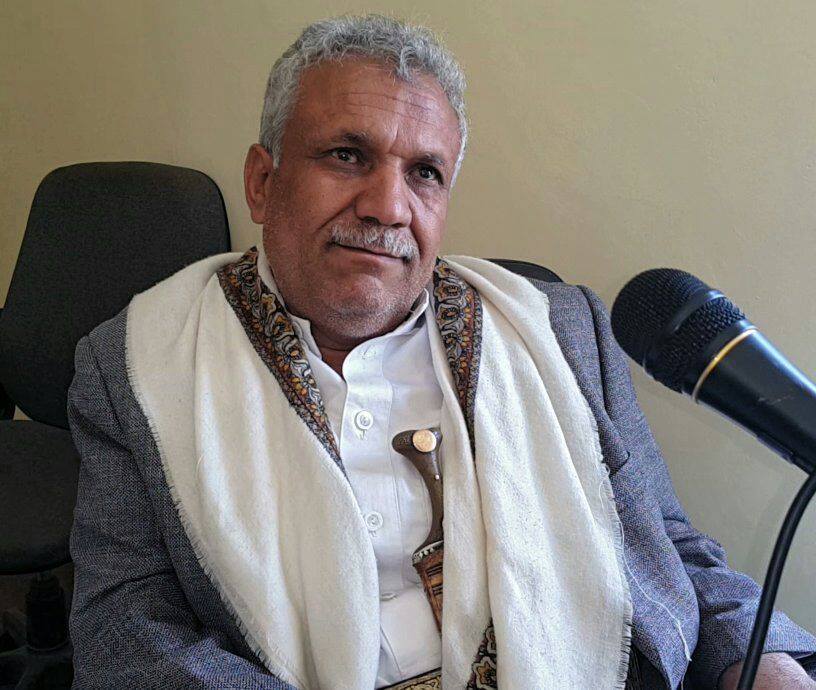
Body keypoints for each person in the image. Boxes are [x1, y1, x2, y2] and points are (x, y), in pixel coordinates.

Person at [67, 14, 816, 690]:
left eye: (424, 173)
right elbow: (124, 629)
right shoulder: (139, 367)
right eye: (347, 155)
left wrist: (765, 663)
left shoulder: (560, 333)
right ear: (263, 183)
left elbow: (670, 549)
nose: (388, 207)